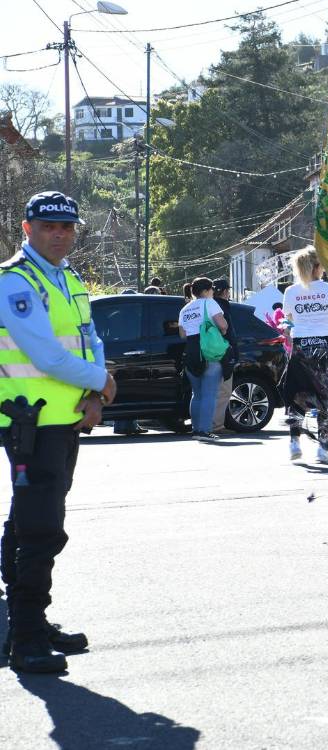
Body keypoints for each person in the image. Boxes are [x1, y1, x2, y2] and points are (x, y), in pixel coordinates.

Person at [0, 191, 116, 673]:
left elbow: (91, 340)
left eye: (67, 227)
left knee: (25, 522)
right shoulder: (13, 282)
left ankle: (24, 622)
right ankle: (25, 639)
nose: (60, 234)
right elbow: (45, 355)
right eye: (49, 227)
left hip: (65, 421)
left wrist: (96, 394)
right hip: (30, 425)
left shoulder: (69, 279)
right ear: (27, 229)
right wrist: (103, 382)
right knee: (41, 529)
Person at [280, 247, 328, 463]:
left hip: (301, 349)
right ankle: (323, 447)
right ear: (318, 266)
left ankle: (294, 442)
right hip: (327, 348)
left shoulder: (291, 291)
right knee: (326, 397)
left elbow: (289, 319)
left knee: (296, 397)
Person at [178, 278, 228, 442]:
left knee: (197, 394)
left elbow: (182, 334)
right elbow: (223, 325)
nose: (213, 292)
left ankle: (196, 429)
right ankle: (205, 431)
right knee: (209, 394)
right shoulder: (210, 303)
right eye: (212, 289)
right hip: (208, 351)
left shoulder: (185, 309)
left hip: (190, 352)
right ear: (206, 291)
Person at [208, 278, 239, 433]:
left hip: (207, 352)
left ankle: (204, 424)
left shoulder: (207, 304)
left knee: (207, 391)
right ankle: (216, 426)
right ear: (225, 291)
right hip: (221, 352)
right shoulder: (221, 307)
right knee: (223, 391)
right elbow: (224, 328)